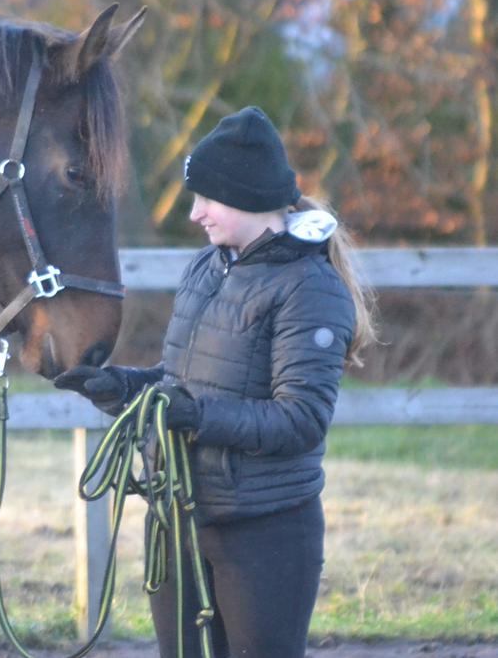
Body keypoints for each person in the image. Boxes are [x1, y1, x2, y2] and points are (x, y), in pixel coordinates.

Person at [55, 106, 377, 658]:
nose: (195, 214)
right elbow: (183, 380)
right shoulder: (208, 267)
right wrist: (124, 389)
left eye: (207, 199)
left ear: (247, 197)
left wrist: (195, 417)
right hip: (180, 515)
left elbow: (300, 419)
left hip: (265, 532)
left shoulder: (310, 288)